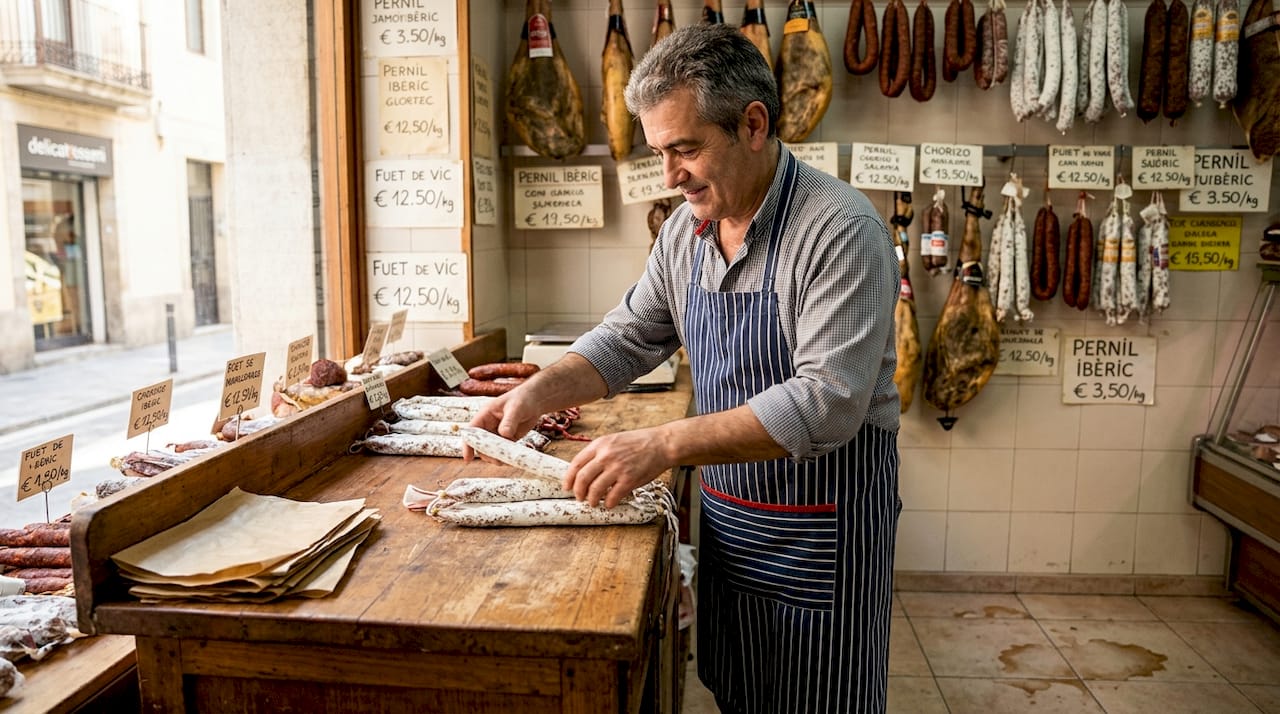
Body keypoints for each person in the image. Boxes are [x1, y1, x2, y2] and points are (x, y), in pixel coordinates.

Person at [467, 22, 901, 714]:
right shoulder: (684, 232)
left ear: (753, 124)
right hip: (733, 519)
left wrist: (662, 444)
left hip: (822, 532)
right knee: (738, 691)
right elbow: (630, 336)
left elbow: (827, 403)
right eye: (659, 153)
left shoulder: (839, 231)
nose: (670, 177)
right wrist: (536, 392)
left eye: (686, 150)